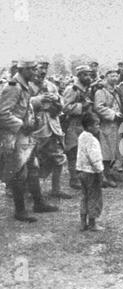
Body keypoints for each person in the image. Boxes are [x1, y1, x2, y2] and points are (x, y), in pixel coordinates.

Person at [0, 60, 58, 222]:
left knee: (33, 168)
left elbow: (24, 108)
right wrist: (22, 125)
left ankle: (39, 203)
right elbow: (3, 113)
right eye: (32, 69)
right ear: (23, 70)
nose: (35, 72)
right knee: (19, 172)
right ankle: (20, 211)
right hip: (15, 136)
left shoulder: (23, 85)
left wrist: (32, 121)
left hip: (26, 135)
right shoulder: (13, 86)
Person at [30, 60, 71, 199]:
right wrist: (38, 99)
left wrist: (57, 99)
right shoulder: (27, 85)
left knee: (59, 157)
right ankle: (27, 190)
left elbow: (62, 104)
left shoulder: (51, 85)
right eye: (40, 68)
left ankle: (56, 189)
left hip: (53, 126)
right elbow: (23, 105)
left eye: (45, 69)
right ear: (33, 69)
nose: (42, 71)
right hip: (35, 128)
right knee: (31, 160)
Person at [62, 65, 93, 189]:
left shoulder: (86, 89)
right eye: (85, 74)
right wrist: (82, 106)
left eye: (89, 74)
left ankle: (82, 176)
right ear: (79, 76)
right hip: (73, 125)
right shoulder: (72, 89)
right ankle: (74, 179)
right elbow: (65, 108)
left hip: (84, 124)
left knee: (84, 152)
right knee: (73, 152)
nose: (88, 77)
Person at [94, 69, 123, 188]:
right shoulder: (101, 91)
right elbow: (98, 107)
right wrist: (113, 114)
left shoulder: (116, 90)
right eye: (112, 76)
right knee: (106, 151)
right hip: (106, 124)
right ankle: (104, 176)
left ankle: (110, 173)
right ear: (106, 77)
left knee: (115, 149)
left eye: (116, 76)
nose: (115, 78)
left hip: (115, 124)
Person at [76, 112, 104, 232]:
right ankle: (92, 223)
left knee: (84, 196)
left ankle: (83, 222)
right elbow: (95, 158)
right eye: (96, 125)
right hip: (91, 173)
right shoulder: (92, 140)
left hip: (81, 171)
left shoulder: (81, 136)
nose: (98, 127)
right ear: (89, 127)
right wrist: (100, 171)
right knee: (94, 197)